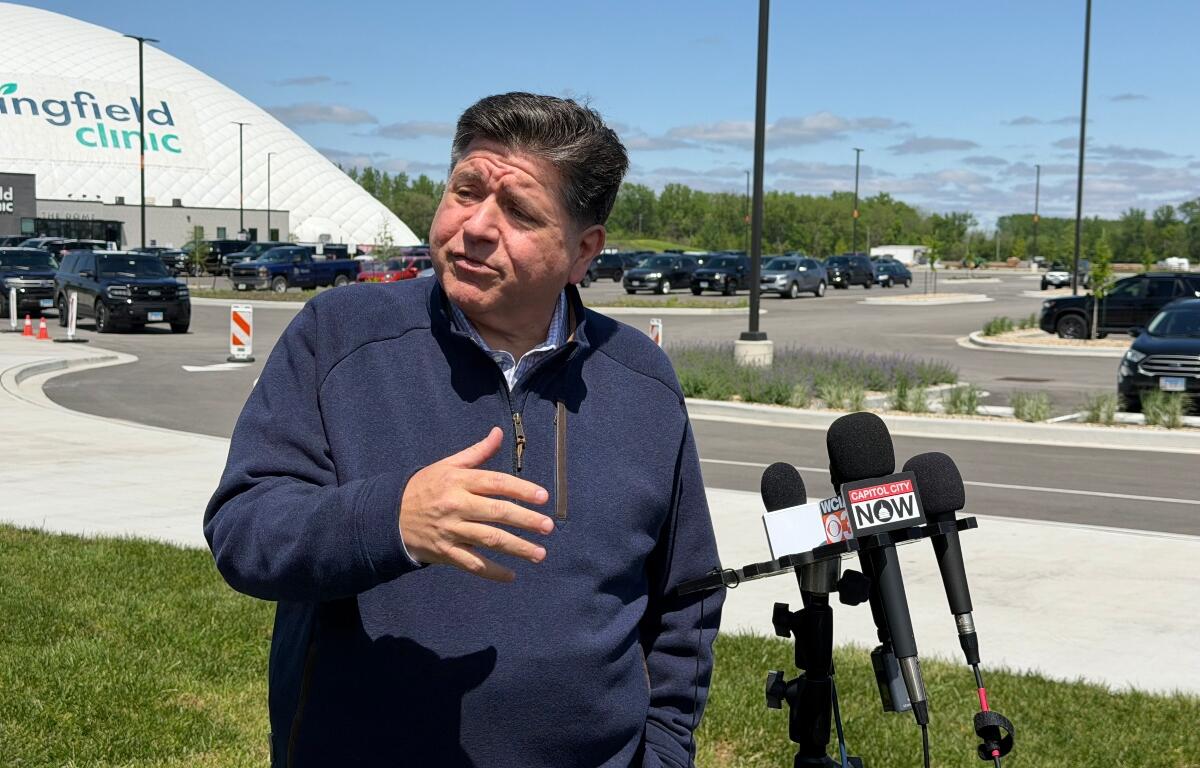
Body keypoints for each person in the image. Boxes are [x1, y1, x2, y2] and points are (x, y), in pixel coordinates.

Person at [205, 92, 724, 768]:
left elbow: (685, 598)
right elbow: (245, 531)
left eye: (518, 211)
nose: (476, 225)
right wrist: (393, 519)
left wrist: (661, 752)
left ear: (582, 251)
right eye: (465, 190)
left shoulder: (642, 380)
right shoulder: (339, 335)